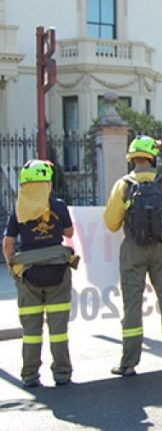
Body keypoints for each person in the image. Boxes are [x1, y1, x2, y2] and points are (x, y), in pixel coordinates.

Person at [103, 135, 162, 376]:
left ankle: (129, 363)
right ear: (152, 157)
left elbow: (111, 223)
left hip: (133, 249)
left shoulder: (123, 185)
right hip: (161, 249)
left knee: (132, 304)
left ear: (132, 158)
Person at [2, 160, 78, 387]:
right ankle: (62, 374)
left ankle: (29, 375)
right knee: (58, 330)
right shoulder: (58, 206)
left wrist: (12, 268)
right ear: (48, 185)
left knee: (31, 331)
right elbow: (69, 232)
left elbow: (7, 245)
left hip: (29, 275)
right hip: (58, 273)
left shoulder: (18, 210)